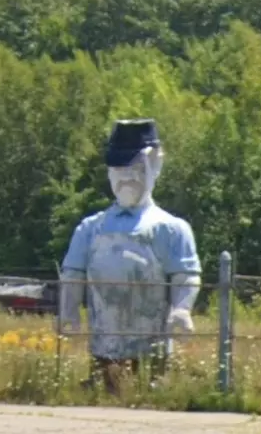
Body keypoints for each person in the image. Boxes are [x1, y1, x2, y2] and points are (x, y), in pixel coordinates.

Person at [58, 118, 202, 395]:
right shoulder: (90, 228)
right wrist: (69, 309)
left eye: (136, 169)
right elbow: (72, 273)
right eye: (119, 169)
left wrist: (182, 309)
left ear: (155, 165)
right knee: (102, 393)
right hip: (103, 344)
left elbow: (186, 274)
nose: (127, 178)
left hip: (151, 348)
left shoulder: (170, 229)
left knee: (150, 393)